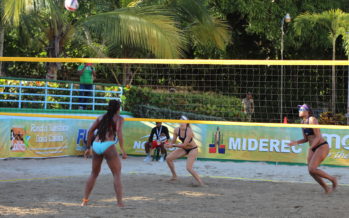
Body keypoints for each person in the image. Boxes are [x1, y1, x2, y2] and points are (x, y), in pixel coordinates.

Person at [81, 100, 127, 207]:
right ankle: (119, 203)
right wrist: (123, 150)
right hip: (108, 145)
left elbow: (90, 131)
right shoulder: (119, 119)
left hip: (96, 145)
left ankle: (84, 201)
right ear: (118, 109)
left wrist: (88, 147)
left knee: (94, 174)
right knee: (117, 175)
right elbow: (119, 134)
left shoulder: (101, 117)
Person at [288, 104, 337, 194]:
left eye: (301, 109)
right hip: (313, 147)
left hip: (321, 146)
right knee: (311, 171)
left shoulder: (312, 119)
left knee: (312, 169)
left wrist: (311, 148)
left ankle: (333, 179)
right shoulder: (302, 123)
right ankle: (326, 188)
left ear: (307, 111)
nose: (299, 111)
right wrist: (295, 142)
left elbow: (318, 137)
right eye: (299, 109)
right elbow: (306, 139)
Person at [165, 116, 204, 186]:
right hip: (184, 149)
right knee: (168, 158)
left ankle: (201, 183)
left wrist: (172, 145)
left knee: (188, 168)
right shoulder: (176, 130)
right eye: (180, 120)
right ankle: (174, 176)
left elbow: (184, 144)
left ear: (186, 122)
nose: (181, 121)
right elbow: (173, 142)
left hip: (193, 149)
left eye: (183, 120)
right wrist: (168, 145)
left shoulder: (189, 131)